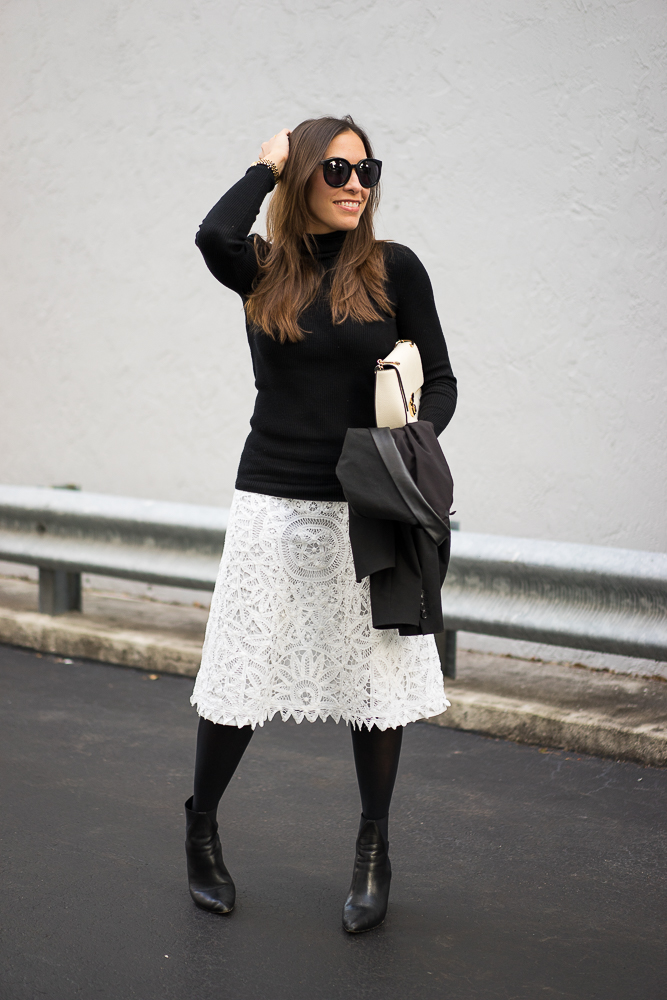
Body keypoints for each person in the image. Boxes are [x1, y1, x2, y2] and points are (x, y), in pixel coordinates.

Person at [185, 115, 457, 933]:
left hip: (367, 504)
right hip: (271, 499)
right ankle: (201, 828)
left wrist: (408, 444)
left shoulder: (394, 268)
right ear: (300, 175)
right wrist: (264, 165)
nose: (354, 184)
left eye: (366, 170)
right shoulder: (263, 269)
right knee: (239, 674)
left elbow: (442, 380)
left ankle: (373, 851)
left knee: (374, 683)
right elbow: (213, 233)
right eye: (335, 169)